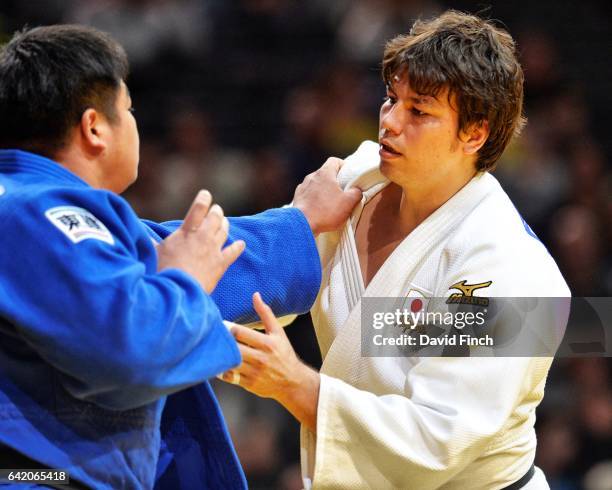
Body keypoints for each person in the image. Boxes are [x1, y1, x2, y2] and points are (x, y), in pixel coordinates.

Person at [0, 25, 362, 489]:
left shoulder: (32, 209)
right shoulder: (38, 214)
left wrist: (301, 221)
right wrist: (184, 279)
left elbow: (167, 259)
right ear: (94, 127)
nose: (136, 123)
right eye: (129, 110)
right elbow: (134, 347)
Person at [223, 10, 571, 489]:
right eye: (391, 99)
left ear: (475, 132)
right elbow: (270, 281)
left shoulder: (507, 270)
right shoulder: (352, 180)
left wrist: (294, 384)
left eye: (419, 111)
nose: (389, 122)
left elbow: (435, 440)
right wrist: (295, 225)